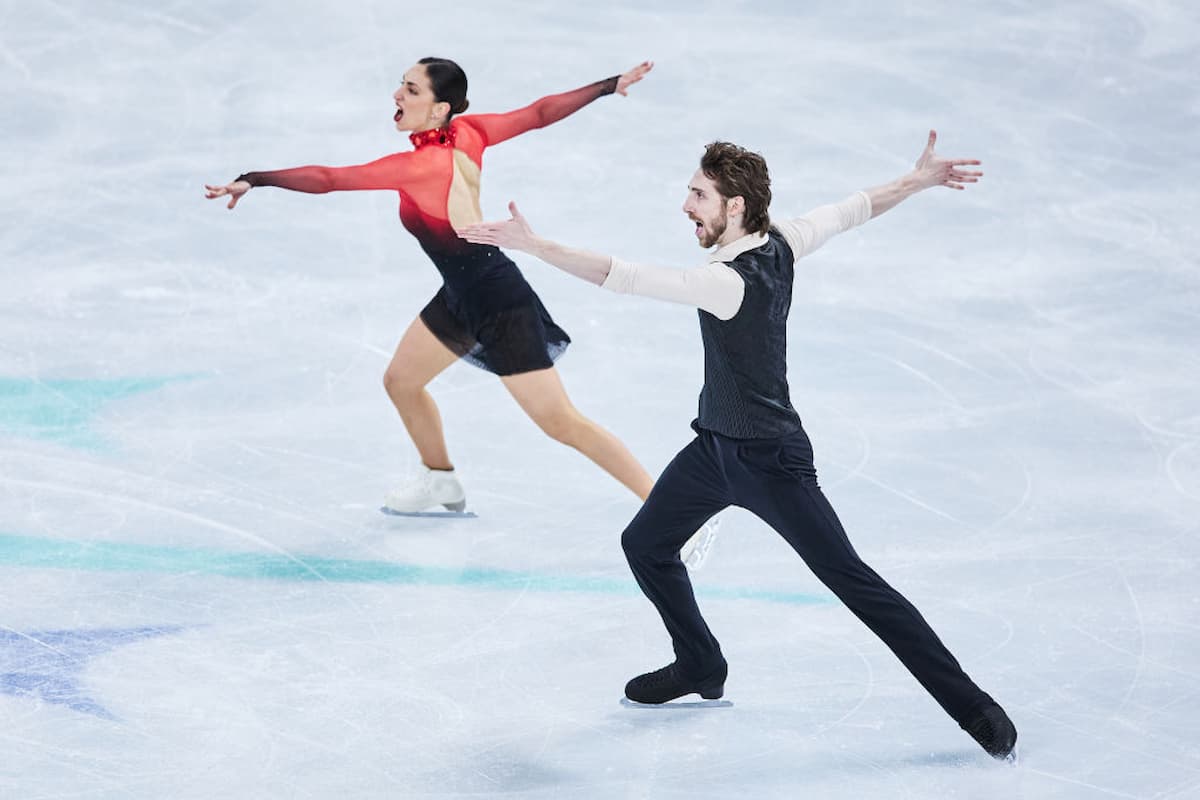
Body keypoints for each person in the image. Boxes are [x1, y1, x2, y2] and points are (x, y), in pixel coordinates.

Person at [458, 131, 1018, 761]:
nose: (686, 206)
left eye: (698, 195)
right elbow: (855, 207)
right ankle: (699, 663)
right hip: (713, 452)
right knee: (645, 543)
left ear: (735, 207)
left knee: (854, 582)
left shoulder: (727, 280)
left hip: (772, 462)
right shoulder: (785, 241)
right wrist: (915, 180)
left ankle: (975, 708)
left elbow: (623, 277)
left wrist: (533, 246)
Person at [203, 58, 715, 556]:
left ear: (440, 108)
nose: (397, 96)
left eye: (411, 90)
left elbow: (331, 178)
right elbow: (536, 114)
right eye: (400, 84)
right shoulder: (469, 132)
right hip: (462, 291)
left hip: (496, 301)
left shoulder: (422, 164)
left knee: (562, 423)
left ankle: (671, 517)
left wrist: (257, 177)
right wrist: (607, 85)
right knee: (401, 381)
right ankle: (440, 479)